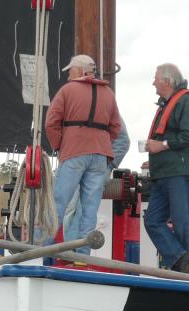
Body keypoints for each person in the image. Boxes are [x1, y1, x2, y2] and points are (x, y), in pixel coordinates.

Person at [45, 54, 122, 255]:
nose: (69, 75)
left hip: (73, 153)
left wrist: (60, 145)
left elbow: (51, 122)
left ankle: (40, 250)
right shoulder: (108, 94)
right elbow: (116, 127)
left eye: (71, 70)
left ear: (79, 71)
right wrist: (103, 141)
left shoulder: (67, 90)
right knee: (90, 209)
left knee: (58, 203)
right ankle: (83, 257)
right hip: (100, 156)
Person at [143, 63, 189, 273]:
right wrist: (155, 159)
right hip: (163, 173)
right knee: (152, 221)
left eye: (156, 78)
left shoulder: (187, 103)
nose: (153, 82)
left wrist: (162, 145)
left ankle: (183, 269)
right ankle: (179, 257)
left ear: (167, 82)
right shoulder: (165, 105)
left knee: (180, 221)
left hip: (179, 172)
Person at [63, 117, 130, 242]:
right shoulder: (72, 107)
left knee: (82, 212)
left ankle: (76, 254)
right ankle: (71, 253)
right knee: (70, 210)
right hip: (74, 167)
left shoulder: (108, 109)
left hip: (93, 171)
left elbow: (123, 141)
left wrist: (108, 167)